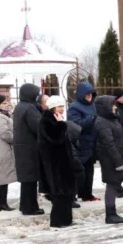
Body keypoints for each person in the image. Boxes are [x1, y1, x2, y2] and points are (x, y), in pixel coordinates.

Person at [38, 96, 78, 228]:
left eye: (62, 106)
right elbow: (56, 140)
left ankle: (67, 219)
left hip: (63, 162)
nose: (62, 109)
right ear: (52, 107)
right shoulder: (46, 121)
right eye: (59, 106)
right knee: (59, 193)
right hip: (55, 163)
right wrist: (62, 125)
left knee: (67, 193)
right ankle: (57, 221)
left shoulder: (55, 118)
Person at [93, 95, 123, 224]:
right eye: (112, 105)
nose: (115, 107)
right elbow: (109, 144)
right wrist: (118, 162)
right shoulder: (102, 122)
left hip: (117, 157)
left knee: (114, 184)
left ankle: (112, 213)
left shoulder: (111, 119)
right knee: (112, 185)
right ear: (105, 107)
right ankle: (110, 214)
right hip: (110, 160)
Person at [12, 83, 44, 216]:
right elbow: (37, 126)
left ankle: (25, 205)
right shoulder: (30, 108)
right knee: (31, 179)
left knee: (26, 179)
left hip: (22, 146)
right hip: (30, 147)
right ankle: (30, 207)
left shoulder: (20, 107)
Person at [67, 81, 98, 203]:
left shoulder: (92, 105)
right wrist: (90, 119)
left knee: (90, 169)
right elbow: (75, 125)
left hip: (91, 143)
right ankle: (74, 195)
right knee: (78, 170)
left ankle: (87, 194)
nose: (89, 96)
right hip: (81, 143)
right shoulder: (74, 106)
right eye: (87, 94)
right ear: (81, 94)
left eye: (91, 94)